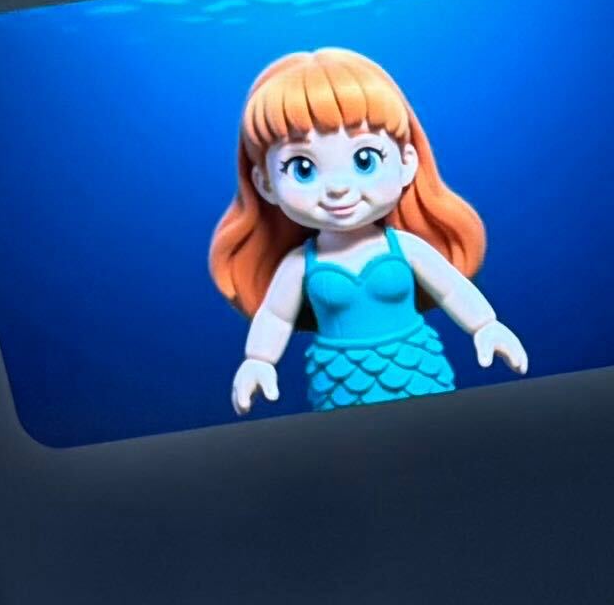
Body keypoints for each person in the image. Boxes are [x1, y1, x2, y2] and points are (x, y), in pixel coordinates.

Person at [212, 47, 528, 413]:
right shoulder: (301, 265)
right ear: (265, 183)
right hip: (340, 378)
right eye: (302, 168)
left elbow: (451, 288)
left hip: (415, 366)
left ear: (406, 162)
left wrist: (486, 325)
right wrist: (258, 360)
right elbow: (275, 316)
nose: (338, 188)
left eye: (364, 160)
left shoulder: (403, 247)